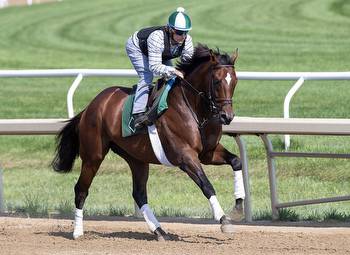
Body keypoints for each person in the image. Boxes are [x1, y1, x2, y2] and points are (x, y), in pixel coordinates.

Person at [125, 7, 194, 129]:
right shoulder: (157, 37)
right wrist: (173, 70)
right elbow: (154, 66)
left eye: (185, 32)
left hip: (161, 52)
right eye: (179, 32)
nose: (183, 36)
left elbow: (188, 62)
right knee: (147, 76)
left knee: (173, 77)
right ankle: (138, 114)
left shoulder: (187, 40)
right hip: (137, 47)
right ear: (170, 29)